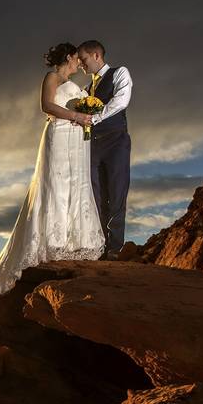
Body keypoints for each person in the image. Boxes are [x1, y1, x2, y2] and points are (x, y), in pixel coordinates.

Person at [0, 43, 105, 300]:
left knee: (76, 184)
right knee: (56, 183)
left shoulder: (76, 85)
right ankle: (52, 242)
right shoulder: (52, 77)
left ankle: (73, 241)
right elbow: (47, 106)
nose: (80, 63)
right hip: (60, 133)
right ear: (68, 56)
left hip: (77, 139)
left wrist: (87, 114)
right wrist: (76, 117)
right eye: (77, 58)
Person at [74, 40, 132, 260]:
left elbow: (121, 101)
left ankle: (115, 248)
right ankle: (99, 246)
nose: (81, 64)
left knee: (117, 192)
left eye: (84, 59)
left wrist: (94, 118)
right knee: (95, 195)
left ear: (96, 55)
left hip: (116, 141)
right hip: (92, 146)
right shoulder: (87, 89)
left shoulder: (120, 73)